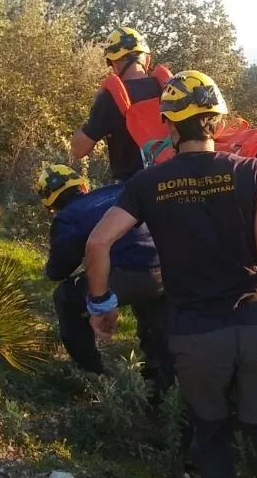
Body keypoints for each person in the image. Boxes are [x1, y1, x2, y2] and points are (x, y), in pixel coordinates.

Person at [83, 71, 257, 478]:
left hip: (196, 333)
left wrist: (102, 306)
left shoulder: (149, 182)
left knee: (210, 433)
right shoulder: (250, 172)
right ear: (216, 122)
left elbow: (97, 244)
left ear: (171, 126)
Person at [36, 163, 172, 392]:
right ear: (83, 185)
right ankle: (163, 381)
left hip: (129, 276)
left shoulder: (67, 217)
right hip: (167, 269)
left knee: (65, 297)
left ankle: (91, 373)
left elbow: (59, 270)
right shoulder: (117, 190)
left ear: (51, 206)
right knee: (155, 312)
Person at [70, 26, 172, 183]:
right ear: (146, 58)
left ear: (114, 63)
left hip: (134, 192)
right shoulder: (171, 89)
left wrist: (95, 107)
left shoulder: (110, 97)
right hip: (176, 184)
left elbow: (78, 149)